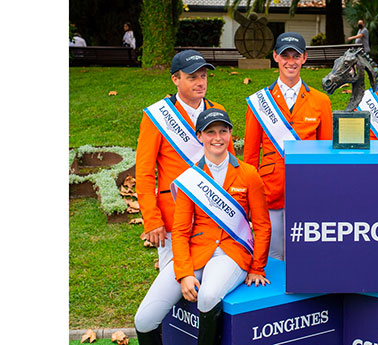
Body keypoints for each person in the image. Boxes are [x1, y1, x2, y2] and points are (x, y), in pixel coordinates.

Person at [134, 108, 271, 345]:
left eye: (223, 131)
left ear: (230, 135)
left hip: (232, 253)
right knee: (144, 319)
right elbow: (180, 231)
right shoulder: (191, 177)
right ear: (200, 136)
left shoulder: (249, 174)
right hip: (196, 252)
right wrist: (185, 273)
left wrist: (257, 267)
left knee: (207, 297)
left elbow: (262, 225)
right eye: (210, 132)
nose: (217, 138)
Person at [136, 49, 235, 271]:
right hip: (173, 214)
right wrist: (152, 220)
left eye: (203, 76)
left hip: (214, 213)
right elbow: (143, 171)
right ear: (175, 79)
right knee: (173, 282)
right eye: (192, 77)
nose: (200, 82)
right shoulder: (157, 116)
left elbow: (232, 165)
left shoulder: (218, 110)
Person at [243, 32, 333, 261]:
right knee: (272, 257)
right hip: (269, 192)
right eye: (285, 56)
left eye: (296, 56)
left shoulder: (321, 101)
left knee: (304, 257)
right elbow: (251, 156)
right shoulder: (260, 101)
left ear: (304, 58)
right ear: (275, 57)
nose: (290, 61)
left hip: (308, 191)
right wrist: (247, 197)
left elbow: (326, 153)